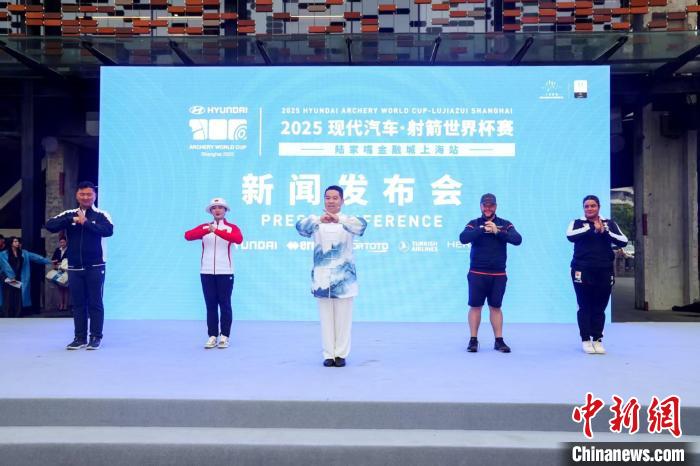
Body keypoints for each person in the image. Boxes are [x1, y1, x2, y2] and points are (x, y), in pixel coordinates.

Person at [296, 186, 367, 367]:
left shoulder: (349, 222)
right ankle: (328, 354)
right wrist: (320, 219)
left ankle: (341, 354)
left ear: (342, 201)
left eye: (335, 198)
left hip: (344, 281)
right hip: (322, 280)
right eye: (328, 198)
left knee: (343, 320)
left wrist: (339, 219)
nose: (331, 201)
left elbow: (361, 227)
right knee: (326, 320)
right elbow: (300, 228)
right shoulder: (316, 222)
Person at [45, 181, 114, 350]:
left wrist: (86, 223)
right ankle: (80, 338)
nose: (86, 197)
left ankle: (95, 337)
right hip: (74, 266)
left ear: (94, 196)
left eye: (89, 194)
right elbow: (50, 225)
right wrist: (72, 219)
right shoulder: (69, 214)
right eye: (82, 194)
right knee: (78, 304)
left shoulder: (102, 215)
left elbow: (108, 231)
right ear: (77, 195)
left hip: (96, 265)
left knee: (95, 303)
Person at [459, 193, 522, 353]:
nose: (488, 208)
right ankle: (473, 340)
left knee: (496, 307)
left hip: (498, 275)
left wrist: (497, 231)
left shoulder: (505, 224)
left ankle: (499, 341)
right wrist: (482, 229)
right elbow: (463, 238)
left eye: (491, 205)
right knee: (475, 307)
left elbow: (517, 239)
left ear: (496, 206)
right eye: (485, 205)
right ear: (481, 206)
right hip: (477, 273)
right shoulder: (474, 223)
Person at [566, 195, 628, 355]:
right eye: (586, 206)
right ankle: (585, 339)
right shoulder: (577, 223)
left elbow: (623, 241)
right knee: (584, 305)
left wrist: (604, 230)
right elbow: (570, 236)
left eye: (592, 206)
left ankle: (598, 339)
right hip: (581, 270)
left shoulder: (609, 223)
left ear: (598, 207)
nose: (589, 209)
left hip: (604, 270)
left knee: (600, 306)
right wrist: (591, 228)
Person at [185, 197, 243, 349]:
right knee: (210, 305)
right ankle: (212, 336)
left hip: (225, 272)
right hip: (206, 272)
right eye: (214, 208)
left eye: (220, 207)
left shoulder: (231, 228)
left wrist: (216, 231)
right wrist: (207, 229)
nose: (217, 210)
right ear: (210, 211)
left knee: (225, 305)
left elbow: (238, 239)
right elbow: (188, 236)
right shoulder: (205, 228)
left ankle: (224, 336)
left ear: (225, 210)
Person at [0, 237, 51, 317]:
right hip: (7, 277)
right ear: (11, 243)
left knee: (18, 295)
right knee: (8, 295)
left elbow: (37, 258)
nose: (17, 243)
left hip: (18, 277)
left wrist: (49, 261)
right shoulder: (3, 254)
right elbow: (6, 266)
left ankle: (17, 314)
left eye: (17, 241)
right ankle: (7, 314)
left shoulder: (24, 253)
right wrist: (11, 276)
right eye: (15, 241)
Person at [51, 237, 69, 311]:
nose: (62, 244)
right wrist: (56, 264)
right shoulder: (57, 250)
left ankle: (65, 305)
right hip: (58, 270)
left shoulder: (69, 250)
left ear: (66, 242)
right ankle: (61, 304)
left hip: (66, 271)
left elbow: (69, 260)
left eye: (63, 242)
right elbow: (53, 259)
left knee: (66, 288)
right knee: (60, 288)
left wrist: (62, 263)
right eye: (61, 242)